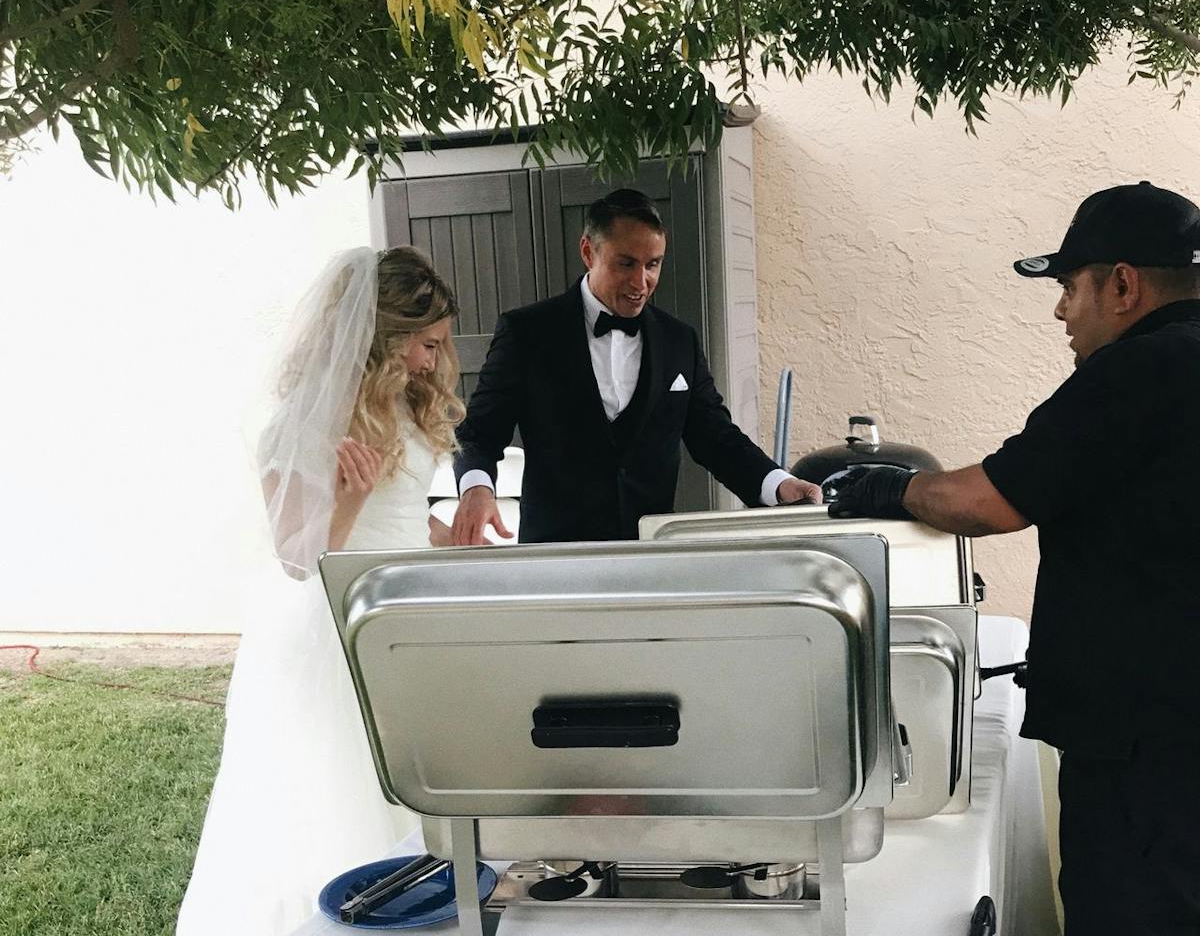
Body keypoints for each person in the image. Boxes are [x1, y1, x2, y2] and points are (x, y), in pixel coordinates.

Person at [827, 181, 1200, 936]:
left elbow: (988, 500)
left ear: (1122, 284)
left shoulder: (1136, 371)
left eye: (1069, 286)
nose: (1061, 309)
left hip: (1145, 756)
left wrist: (890, 488)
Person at [176, 246, 464, 935]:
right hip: (333, 629)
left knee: (416, 792)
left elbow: (403, 510)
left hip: (403, 614)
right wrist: (348, 501)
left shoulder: (404, 403)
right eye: (426, 343)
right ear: (385, 337)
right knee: (342, 799)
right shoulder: (298, 423)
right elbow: (295, 557)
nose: (433, 360)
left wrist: (449, 535)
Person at [451, 187, 821, 546]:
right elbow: (478, 432)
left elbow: (715, 437)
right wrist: (478, 489)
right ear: (588, 252)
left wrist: (778, 483)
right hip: (556, 553)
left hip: (650, 552)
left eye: (653, 265)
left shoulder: (680, 341)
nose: (641, 282)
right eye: (625, 263)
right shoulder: (527, 333)